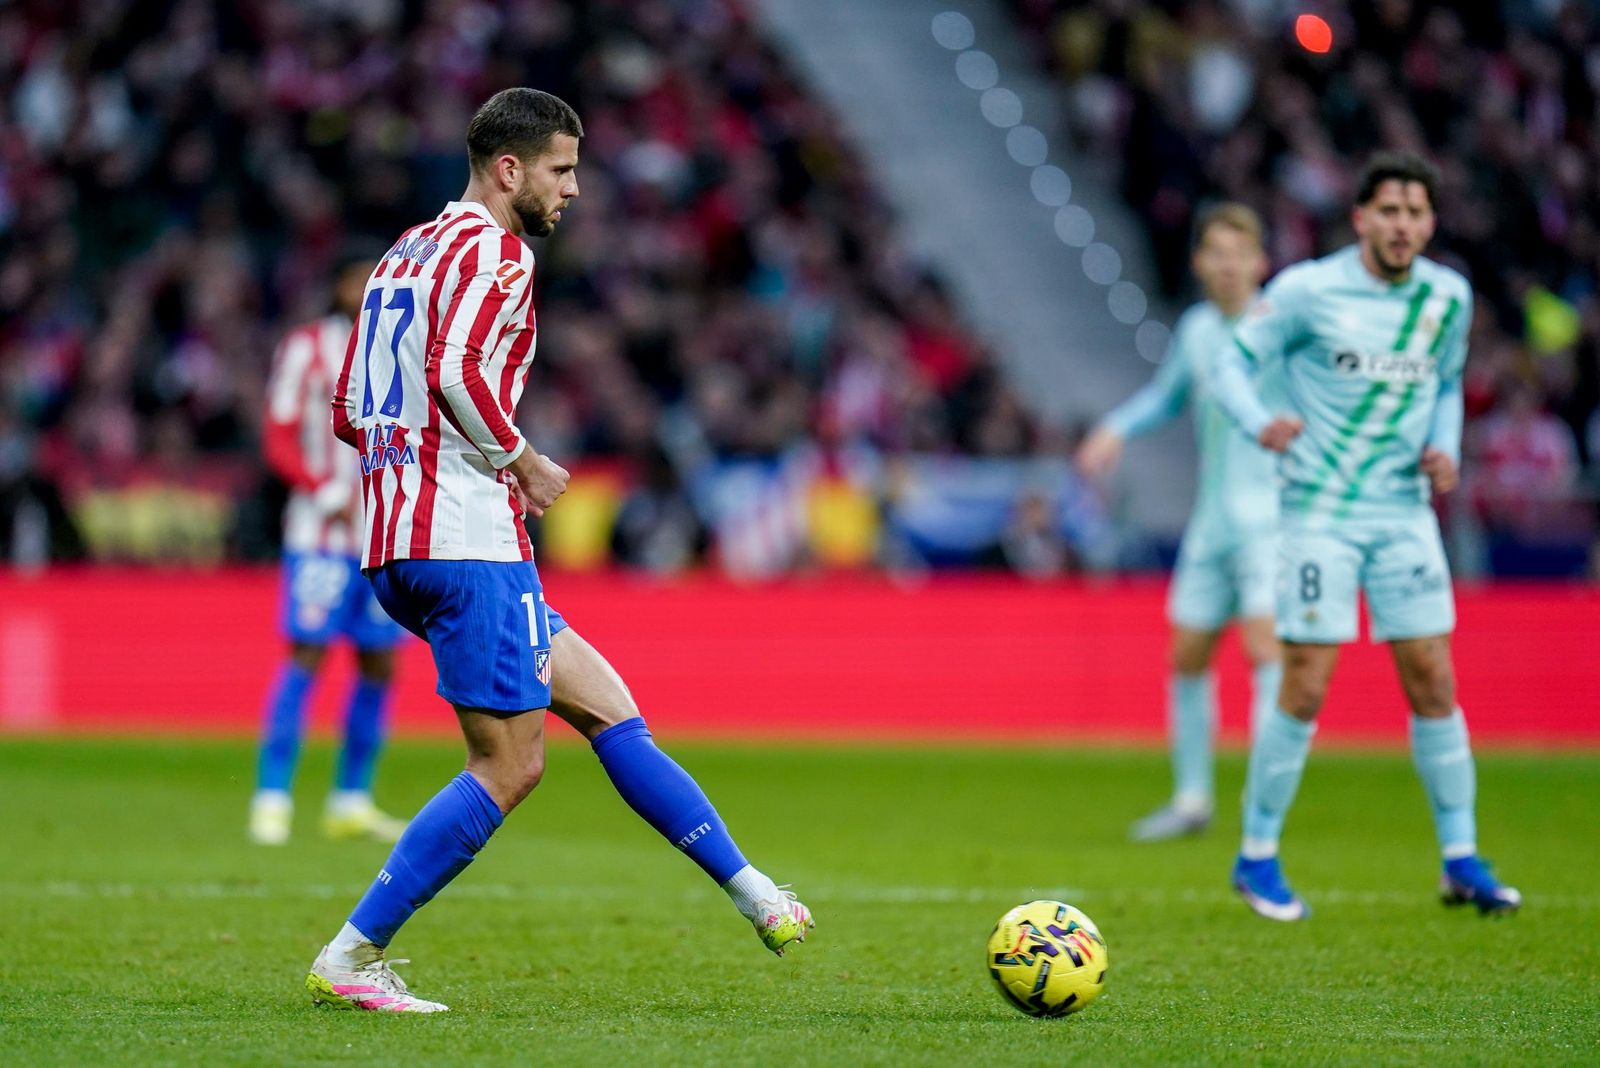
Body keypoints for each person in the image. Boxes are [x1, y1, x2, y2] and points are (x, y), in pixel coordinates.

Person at [306, 88, 813, 1013]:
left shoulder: (401, 253)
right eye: (562, 170)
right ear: (510, 170)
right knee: (509, 766)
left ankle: (758, 895)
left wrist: (413, 467)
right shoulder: (495, 252)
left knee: (612, 711)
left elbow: (348, 407)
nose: (574, 190)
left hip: (404, 538)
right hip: (464, 540)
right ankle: (351, 954)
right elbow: (454, 368)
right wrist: (520, 461)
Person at [1210, 151, 1521, 920]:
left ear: (1431, 223)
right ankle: (1256, 857)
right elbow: (1230, 362)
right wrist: (1261, 425)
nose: (1402, 225)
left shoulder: (1447, 298)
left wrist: (1445, 446)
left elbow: (1444, 383)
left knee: (1434, 679)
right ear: (1360, 218)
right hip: (1319, 511)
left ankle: (1460, 858)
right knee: (1307, 681)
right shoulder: (1309, 291)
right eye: (1389, 210)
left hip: (1404, 515)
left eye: (1416, 212)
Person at [1076, 204, 1281, 841]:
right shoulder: (1195, 329)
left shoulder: (1283, 327)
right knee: (1188, 655)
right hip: (1213, 520)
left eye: (1238, 253)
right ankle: (1192, 799)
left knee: (1264, 647)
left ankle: (1265, 802)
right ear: (1198, 263)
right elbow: (1167, 398)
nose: (1227, 265)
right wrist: (1114, 427)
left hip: (1273, 519)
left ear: (1259, 263)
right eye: (1216, 252)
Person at [250, 255, 408, 846]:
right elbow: (277, 436)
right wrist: (327, 488)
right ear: (339, 284)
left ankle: (350, 799)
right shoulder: (307, 347)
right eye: (357, 277)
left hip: (385, 538)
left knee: (379, 661)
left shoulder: (404, 346)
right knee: (307, 654)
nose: (366, 288)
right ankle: (271, 797)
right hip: (319, 537)